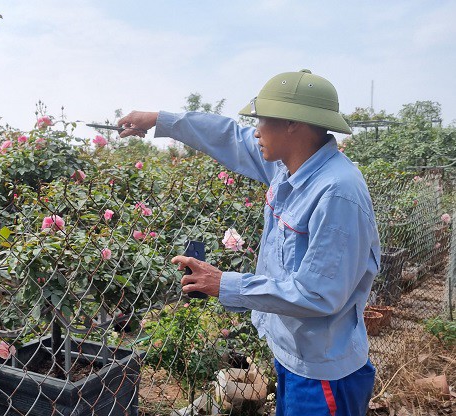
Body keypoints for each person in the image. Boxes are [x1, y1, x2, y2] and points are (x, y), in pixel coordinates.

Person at [118, 69, 380, 416]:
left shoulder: (337, 193)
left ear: (294, 124)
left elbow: (319, 294)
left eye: (263, 120)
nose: (255, 131)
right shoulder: (289, 167)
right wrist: (159, 119)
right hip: (295, 356)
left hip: (322, 374)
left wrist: (223, 283)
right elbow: (228, 136)